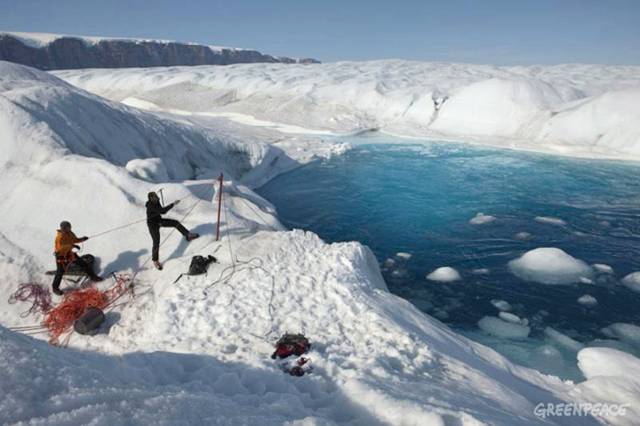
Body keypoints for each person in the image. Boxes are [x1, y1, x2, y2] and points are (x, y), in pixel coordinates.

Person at [146, 192, 199, 270]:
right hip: (152, 225)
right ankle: (155, 260)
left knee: (175, 223)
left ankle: (188, 235)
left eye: (156, 197)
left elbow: (161, 211)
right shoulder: (150, 205)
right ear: (150, 198)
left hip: (159, 221)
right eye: (154, 197)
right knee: (156, 242)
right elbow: (162, 211)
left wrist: (169, 205)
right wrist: (173, 204)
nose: (156, 198)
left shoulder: (156, 201)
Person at [52, 221, 103, 295]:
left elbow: (74, 240)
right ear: (64, 228)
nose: (70, 228)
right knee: (60, 272)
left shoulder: (70, 233)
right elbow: (60, 248)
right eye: (68, 227)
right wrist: (72, 246)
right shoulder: (60, 237)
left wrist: (82, 239)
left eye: (70, 227)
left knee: (83, 264)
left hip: (69, 253)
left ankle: (93, 277)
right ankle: (55, 288)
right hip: (61, 256)